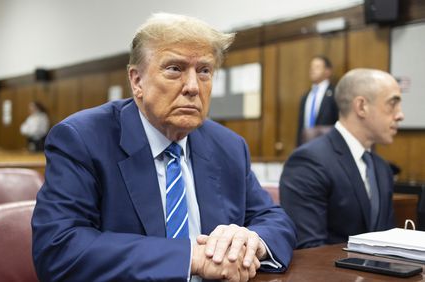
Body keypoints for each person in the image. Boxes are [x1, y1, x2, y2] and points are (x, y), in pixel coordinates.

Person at [32, 13, 296, 282]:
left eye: (204, 71)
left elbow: (274, 219)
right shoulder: (83, 139)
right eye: (174, 69)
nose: (193, 87)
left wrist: (253, 242)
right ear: (137, 81)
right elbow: (60, 249)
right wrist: (190, 257)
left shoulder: (227, 145)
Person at [280, 68, 404, 249]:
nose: (400, 115)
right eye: (392, 104)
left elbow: (387, 240)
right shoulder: (308, 163)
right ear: (361, 106)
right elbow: (311, 250)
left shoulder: (381, 168)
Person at [296, 56, 338, 145]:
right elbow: (301, 127)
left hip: (327, 145)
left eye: (317, 67)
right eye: (311, 67)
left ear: (327, 71)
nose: (312, 70)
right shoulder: (306, 96)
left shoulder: (335, 94)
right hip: (306, 145)